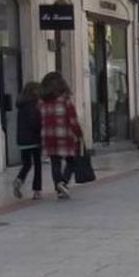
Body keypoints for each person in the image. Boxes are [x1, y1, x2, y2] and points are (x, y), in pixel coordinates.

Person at [39, 71, 83, 200]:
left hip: (48, 135)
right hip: (64, 134)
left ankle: (58, 187)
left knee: (55, 162)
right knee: (72, 161)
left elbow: (40, 119)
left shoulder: (43, 101)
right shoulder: (65, 99)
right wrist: (79, 134)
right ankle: (63, 182)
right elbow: (72, 119)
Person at [12, 81, 43, 200]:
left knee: (27, 163)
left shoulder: (21, 105)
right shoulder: (33, 105)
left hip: (22, 140)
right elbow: (35, 123)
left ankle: (19, 180)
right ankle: (37, 190)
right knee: (37, 164)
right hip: (34, 139)